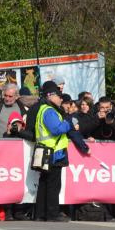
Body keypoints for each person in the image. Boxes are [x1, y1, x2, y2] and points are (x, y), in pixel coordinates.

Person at [34, 80, 89, 222]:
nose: (60, 99)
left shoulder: (44, 109)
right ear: (50, 96)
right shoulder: (49, 111)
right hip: (54, 152)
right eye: (58, 96)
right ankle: (52, 214)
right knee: (53, 184)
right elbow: (56, 129)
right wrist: (69, 123)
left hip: (46, 151)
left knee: (44, 183)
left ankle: (41, 214)